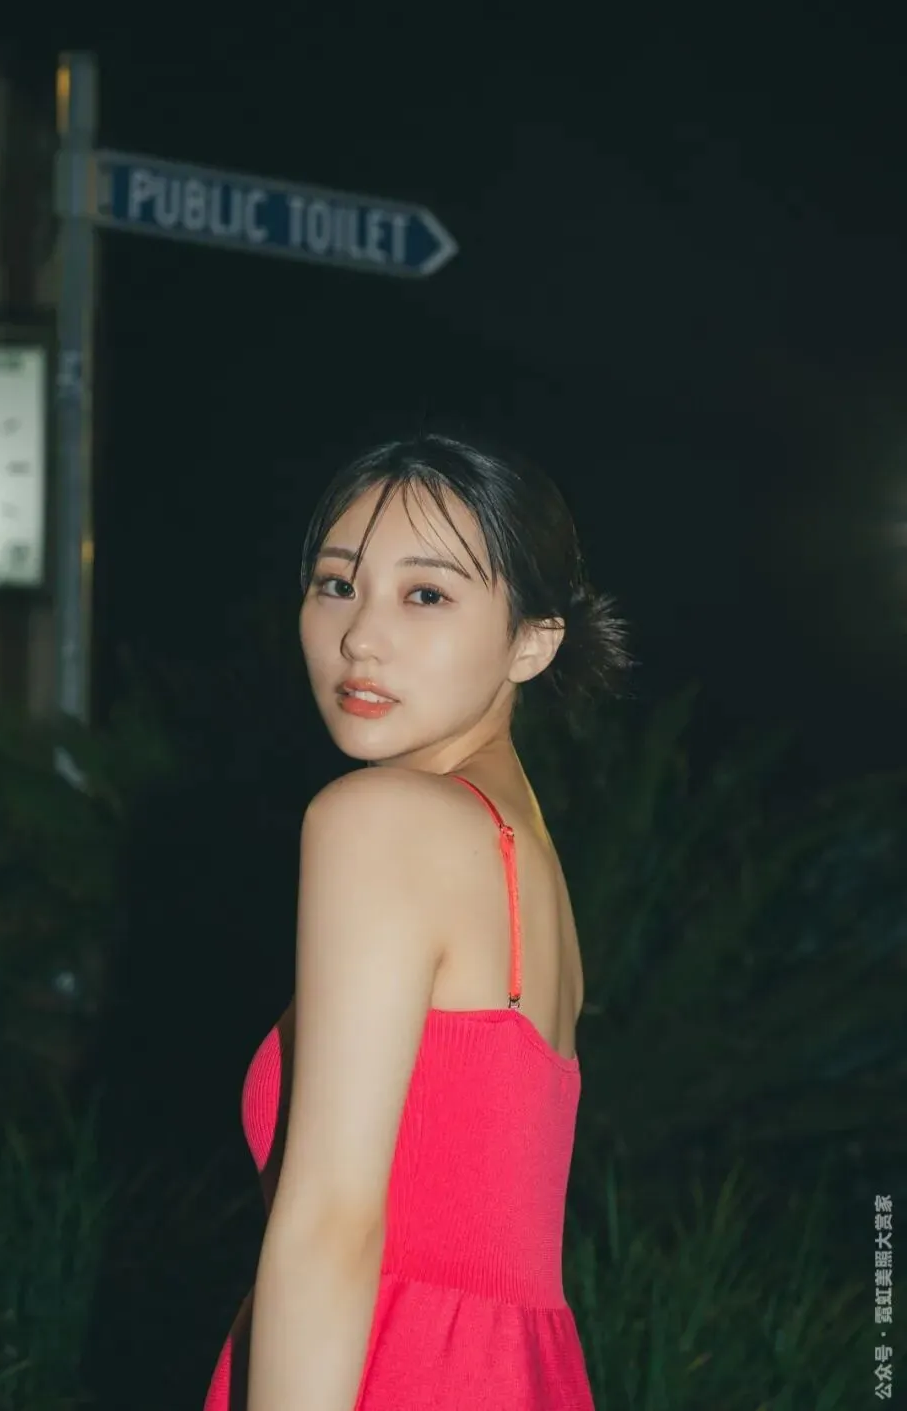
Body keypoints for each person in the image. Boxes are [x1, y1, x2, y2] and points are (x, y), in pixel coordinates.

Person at [202, 430, 629, 1411]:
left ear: (533, 640)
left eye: (425, 594)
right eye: (336, 584)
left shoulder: (382, 820)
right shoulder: (520, 853)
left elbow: (333, 1224)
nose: (361, 635)